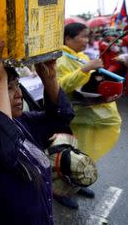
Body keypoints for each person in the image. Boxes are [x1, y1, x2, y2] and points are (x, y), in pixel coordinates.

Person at [0, 38, 74, 224]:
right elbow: (2, 149)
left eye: (17, 84)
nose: (19, 93)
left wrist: (49, 77)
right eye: (8, 88)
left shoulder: (21, 122)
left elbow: (60, 117)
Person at [56, 22, 122, 207]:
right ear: (68, 38)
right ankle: (60, 189)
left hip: (86, 110)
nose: (87, 41)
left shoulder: (82, 56)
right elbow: (61, 86)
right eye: (83, 37)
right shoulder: (60, 58)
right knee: (67, 153)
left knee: (81, 152)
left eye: (88, 37)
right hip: (71, 113)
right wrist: (85, 69)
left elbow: (90, 82)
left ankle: (76, 183)